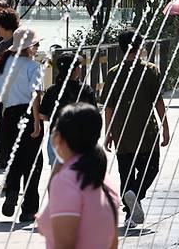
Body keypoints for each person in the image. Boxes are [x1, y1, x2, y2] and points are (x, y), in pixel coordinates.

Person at [101, 30, 170, 228]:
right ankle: (136, 194)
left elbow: (109, 108)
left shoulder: (114, 73)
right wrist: (165, 127)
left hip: (122, 130)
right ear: (139, 46)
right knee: (151, 167)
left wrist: (108, 133)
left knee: (126, 172)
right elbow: (158, 102)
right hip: (146, 130)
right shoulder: (151, 70)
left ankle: (130, 213)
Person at [37, 103, 119, 249]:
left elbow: (65, 245)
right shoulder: (102, 179)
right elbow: (113, 243)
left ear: (61, 137)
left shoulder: (67, 181)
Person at [0, 26, 44, 222]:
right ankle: (29, 209)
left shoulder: (2, 65)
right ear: (30, 47)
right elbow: (35, 95)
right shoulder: (33, 66)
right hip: (27, 113)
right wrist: (36, 122)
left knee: (14, 158)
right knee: (34, 163)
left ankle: (12, 191)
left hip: (8, 116)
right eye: (36, 44)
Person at [40, 52, 98, 170]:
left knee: (57, 175)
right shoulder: (85, 90)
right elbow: (94, 116)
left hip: (57, 137)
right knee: (79, 177)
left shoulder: (52, 90)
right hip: (80, 138)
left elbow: (42, 115)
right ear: (76, 69)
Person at [0, 7, 19, 169]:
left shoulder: (17, 44)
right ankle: (5, 158)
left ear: (3, 26)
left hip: (13, 95)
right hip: (4, 94)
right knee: (3, 128)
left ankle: (7, 159)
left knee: (7, 128)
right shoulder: (3, 44)